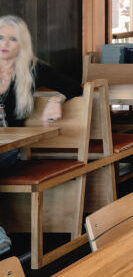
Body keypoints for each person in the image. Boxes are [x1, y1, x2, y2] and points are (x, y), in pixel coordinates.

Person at [0, 15, 83, 254]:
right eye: (0, 38)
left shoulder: (32, 69)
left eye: (12, 39)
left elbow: (74, 86)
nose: (4, 43)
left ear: (21, 43)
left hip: (10, 149)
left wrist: (56, 100)